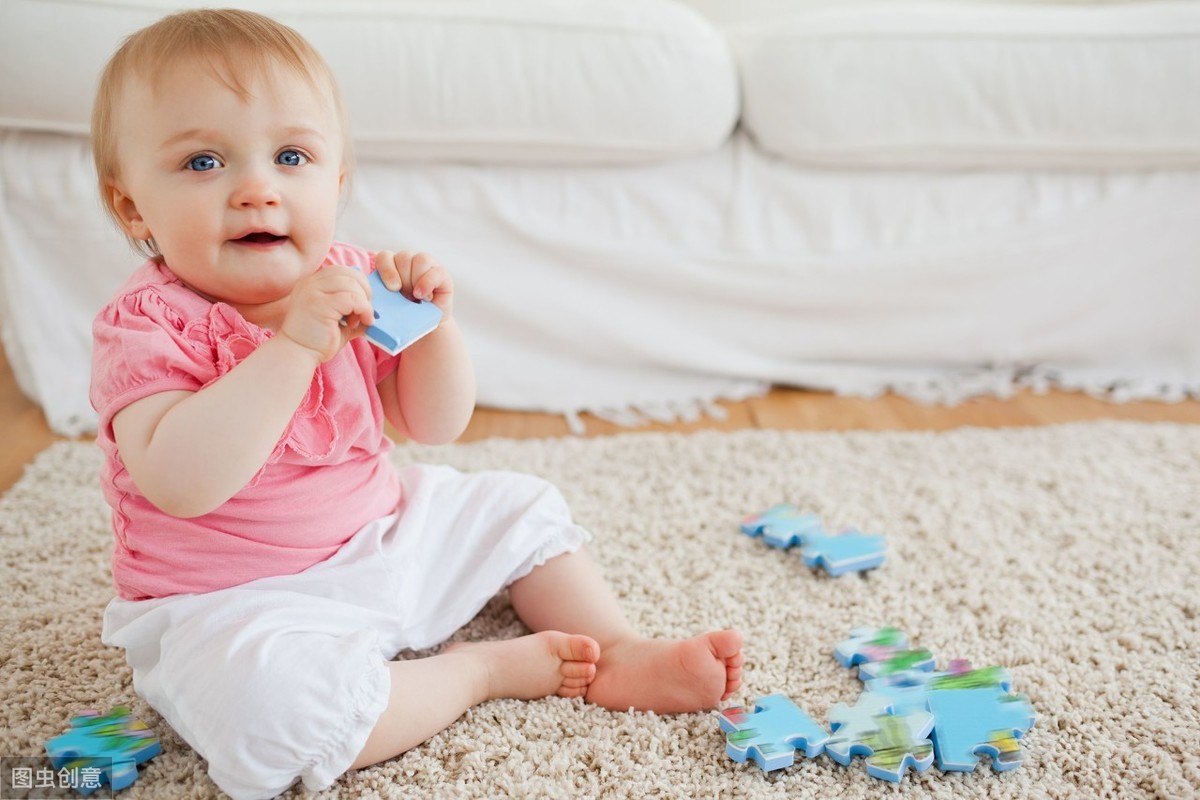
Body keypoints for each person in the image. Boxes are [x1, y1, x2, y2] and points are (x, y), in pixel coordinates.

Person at [88, 9, 743, 799]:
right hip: (236, 603)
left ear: (333, 182)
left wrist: (434, 329)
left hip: (384, 538)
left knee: (518, 504)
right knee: (273, 720)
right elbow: (181, 480)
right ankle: (474, 675)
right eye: (202, 162)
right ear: (133, 210)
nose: (257, 189)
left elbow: (435, 425)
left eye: (290, 156)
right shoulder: (147, 326)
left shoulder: (353, 282)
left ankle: (616, 646)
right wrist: (291, 350)